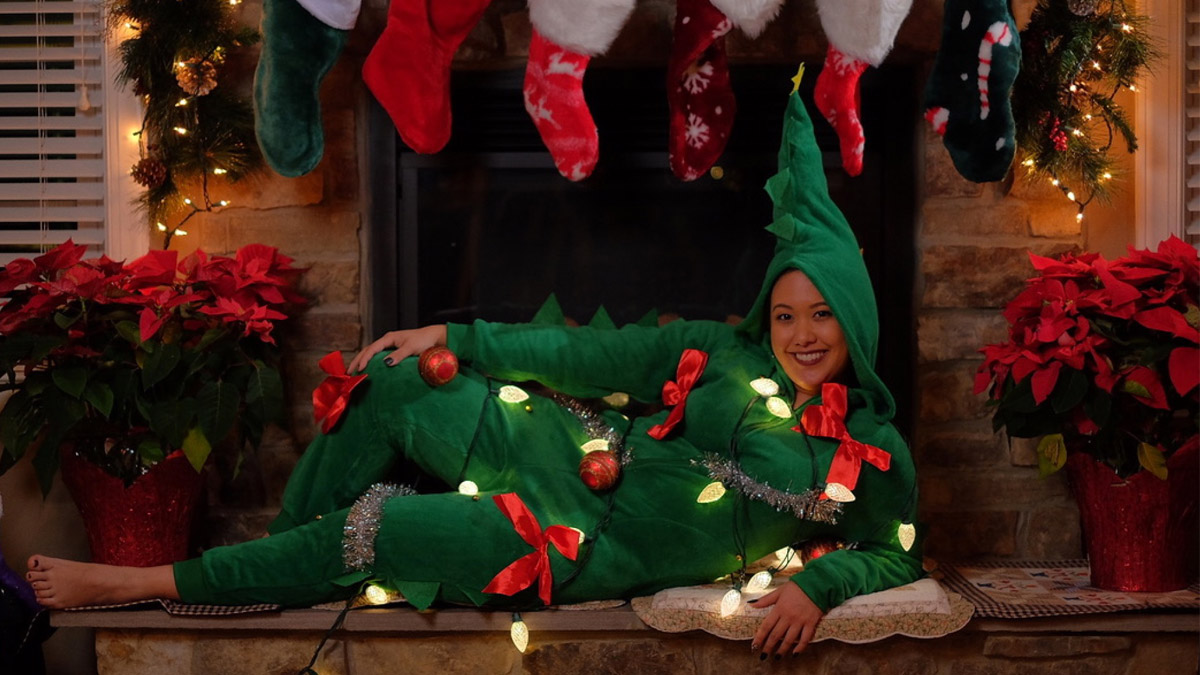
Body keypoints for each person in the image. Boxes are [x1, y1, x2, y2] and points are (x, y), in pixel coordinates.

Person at [25, 75, 922, 659]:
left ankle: (146, 582)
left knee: (383, 535)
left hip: (578, 546)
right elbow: (585, 351)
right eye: (787, 313)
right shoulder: (725, 349)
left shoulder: (874, 447)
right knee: (396, 383)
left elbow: (890, 552)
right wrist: (451, 341)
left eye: (823, 317)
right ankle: (275, 563)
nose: (803, 335)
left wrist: (817, 578)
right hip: (572, 446)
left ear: (856, 323)